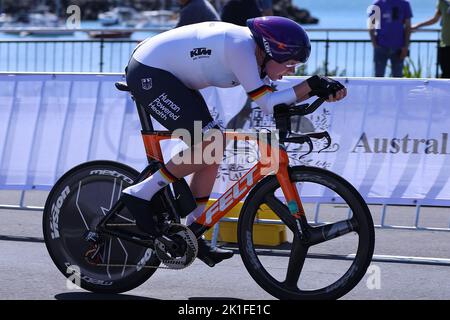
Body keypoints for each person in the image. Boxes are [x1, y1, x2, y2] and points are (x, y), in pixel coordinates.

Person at [120, 16, 347, 266]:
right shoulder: (241, 48)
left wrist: (319, 89)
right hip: (150, 71)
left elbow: (278, 97)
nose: (292, 70)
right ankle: (141, 193)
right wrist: (311, 84)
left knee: (213, 148)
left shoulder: (258, 55)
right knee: (213, 142)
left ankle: (194, 233)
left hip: (171, 76)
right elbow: (268, 104)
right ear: (270, 52)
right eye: (290, 63)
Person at [369, 0, 413, 77]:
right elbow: (371, 26)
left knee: (398, 77)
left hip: (399, 47)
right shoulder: (377, 4)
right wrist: (375, 45)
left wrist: (406, 46)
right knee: (378, 77)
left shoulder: (405, 4)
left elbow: (408, 27)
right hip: (381, 46)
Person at [412, 0, 450, 78]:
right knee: (446, 74)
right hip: (445, 44)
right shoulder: (442, 2)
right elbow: (435, 19)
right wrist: (418, 25)